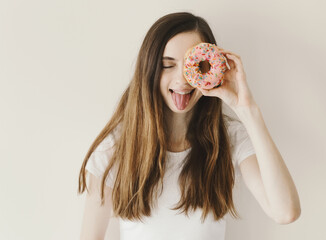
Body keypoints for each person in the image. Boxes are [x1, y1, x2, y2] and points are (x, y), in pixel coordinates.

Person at [78, 12, 301, 240]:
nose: (183, 79)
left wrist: (247, 108)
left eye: (195, 66)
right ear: (150, 71)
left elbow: (285, 212)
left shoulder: (229, 138)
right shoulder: (114, 149)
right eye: (167, 65)